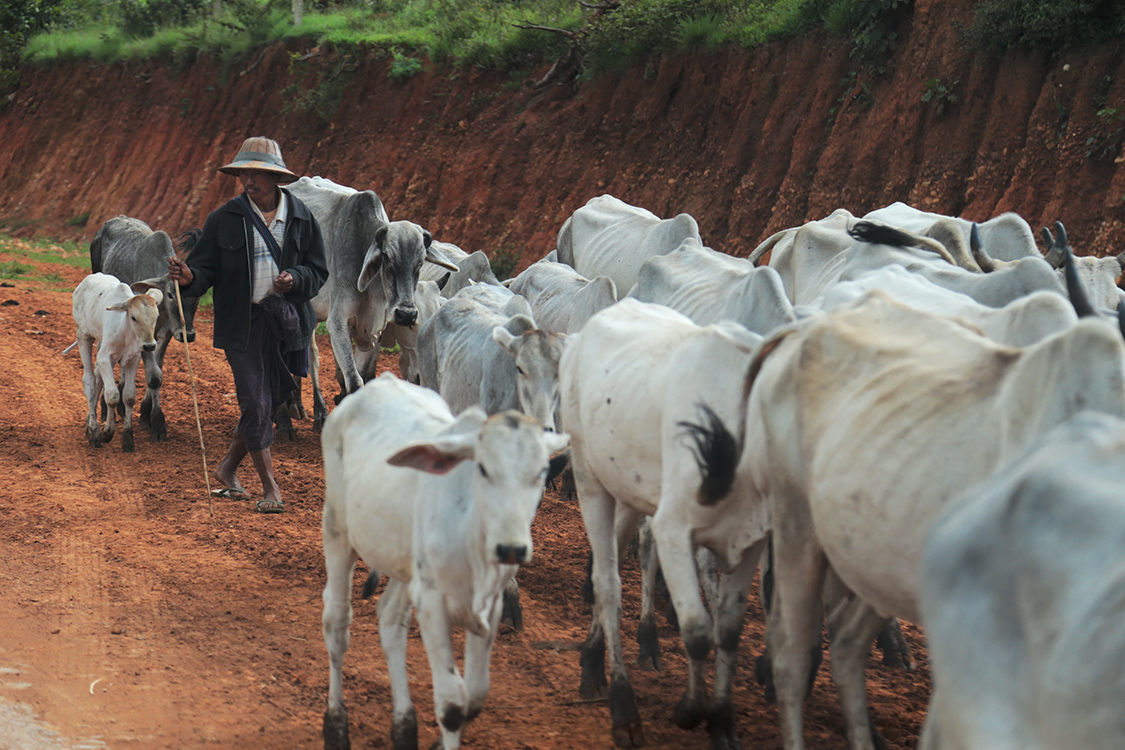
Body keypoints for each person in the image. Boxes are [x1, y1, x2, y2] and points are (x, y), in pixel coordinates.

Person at [168, 137, 328, 514]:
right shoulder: (224, 218)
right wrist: (189, 275)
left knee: (268, 401)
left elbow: (318, 271)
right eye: (244, 172)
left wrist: (296, 277)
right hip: (243, 323)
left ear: (275, 177)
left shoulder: (302, 217)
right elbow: (205, 269)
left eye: (257, 172)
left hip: (285, 324)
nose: (248, 179)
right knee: (256, 402)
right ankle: (271, 488)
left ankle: (226, 469)